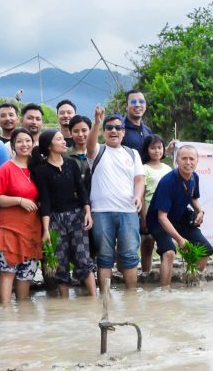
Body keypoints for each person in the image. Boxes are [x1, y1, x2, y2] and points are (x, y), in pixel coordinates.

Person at [32, 129, 97, 297]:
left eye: (63, 139)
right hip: (54, 219)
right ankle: (64, 304)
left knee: (84, 258)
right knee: (60, 263)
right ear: (49, 145)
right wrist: (46, 230)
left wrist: (87, 212)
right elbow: (44, 201)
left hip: (76, 216)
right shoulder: (41, 170)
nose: (64, 142)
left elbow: (81, 190)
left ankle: (94, 300)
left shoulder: (71, 164)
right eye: (59, 139)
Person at [86, 105, 145, 291]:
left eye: (118, 128)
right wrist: (96, 122)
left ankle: (131, 298)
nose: (114, 131)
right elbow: (89, 144)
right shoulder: (97, 151)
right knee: (104, 258)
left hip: (128, 212)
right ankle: (105, 300)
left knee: (129, 257)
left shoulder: (132, 153)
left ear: (123, 132)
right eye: (109, 127)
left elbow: (139, 179)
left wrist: (138, 196)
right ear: (104, 132)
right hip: (101, 212)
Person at [146, 145, 213, 287]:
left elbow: (193, 197)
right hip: (158, 221)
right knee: (169, 252)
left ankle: (190, 281)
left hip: (179, 218)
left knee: (205, 249)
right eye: (184, 158)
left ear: (197, 160)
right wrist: (180, 240)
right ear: (177, 160)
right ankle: (165, 291)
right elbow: (162, 217)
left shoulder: (194, 177)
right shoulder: (168, 181)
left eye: (191, 159)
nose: (188, 162)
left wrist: (200, 211)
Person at [0, 128, 43, 302]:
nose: (24, 145)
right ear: (12, 145)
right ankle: (5, 318)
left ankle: (22, 323)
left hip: (32, 229)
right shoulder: (6, 168)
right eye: (19, 141)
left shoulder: (37, 168)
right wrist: (19, 200)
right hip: (8, 228)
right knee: (6, 272)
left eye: (28, 141)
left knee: (26, 276)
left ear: (33, 143)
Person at [140, 135, 173, 276]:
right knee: (148, 243)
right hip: (149, 211)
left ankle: (163, 272)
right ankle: (146, 273)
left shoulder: (168, 169)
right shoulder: (143, 169)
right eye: (152, 148)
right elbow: (141, 195)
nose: (156, 151)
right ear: (147, 150)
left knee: (164, 243)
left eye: (159, 147)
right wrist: (143, 217)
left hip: (165, 212)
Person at [67, 115, 92, 180]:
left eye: (84, 130)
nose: (80, 134)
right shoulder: (64, 154)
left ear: (90, 131)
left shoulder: (98, 153)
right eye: (75, 131)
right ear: (70, 133)